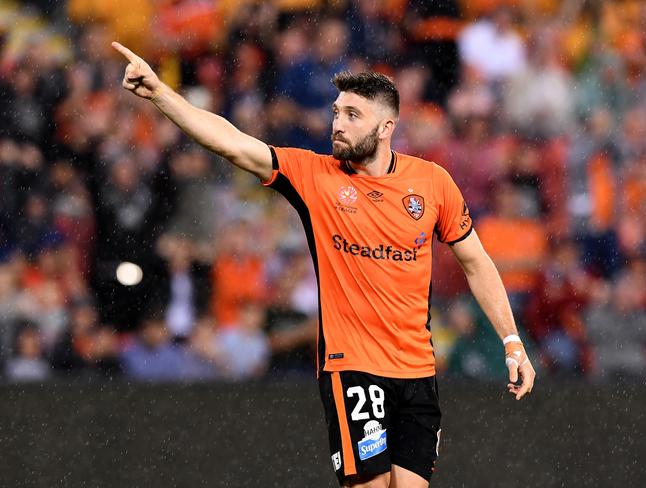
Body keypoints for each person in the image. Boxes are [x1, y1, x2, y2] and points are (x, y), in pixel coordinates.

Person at [111, 41, 536, 488]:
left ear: (386, 126)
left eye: (353, 115)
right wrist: (160, 93)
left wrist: (512, 342)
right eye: (336, 112)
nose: (338, 124)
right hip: (352, 366)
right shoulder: (315, 175)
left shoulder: (432, 184)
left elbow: (477, 263)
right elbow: (233, 143)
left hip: (417, 372)